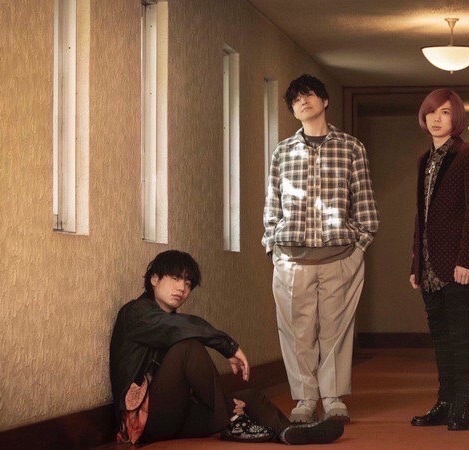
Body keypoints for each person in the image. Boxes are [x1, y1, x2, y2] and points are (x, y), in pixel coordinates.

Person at [109, 250, 344, 445]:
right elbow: (178, 328)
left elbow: (178, 334)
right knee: (188, 348)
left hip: (176, 415)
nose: (182, 288)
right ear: (154, 279)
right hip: (144, 422)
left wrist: (223, 400)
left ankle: (288, 432)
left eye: (188, 283)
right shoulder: (136, 314)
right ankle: (232, 420)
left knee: (250, 397)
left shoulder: (172, 322)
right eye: (175, 278)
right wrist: (226, 346)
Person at [262, 74, 380, 424]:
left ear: (325, 101)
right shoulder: (283, 151)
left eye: (309, 95)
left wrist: (359, 245)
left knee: (336, 330)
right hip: (291, 258)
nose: (303, 101)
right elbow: (272, 203)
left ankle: (332, 398)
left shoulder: (351, 147)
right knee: (297, 332)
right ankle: (304, 398)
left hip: (340, 256)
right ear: (293, 109)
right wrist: (273, 246)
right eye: (296, 99)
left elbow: (364, 201)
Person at [407, 89, 469, 431]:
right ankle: (444, 401)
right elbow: (421, 215)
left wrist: (466, 259)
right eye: (431, 112)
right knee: (439, 336)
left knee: (459, 334)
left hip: (456, 262)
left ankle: (461, 406)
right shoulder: (424, 159)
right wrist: (416, 263)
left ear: (457, 119)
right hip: (427, 263)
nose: (436, 119)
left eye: (445, 113)